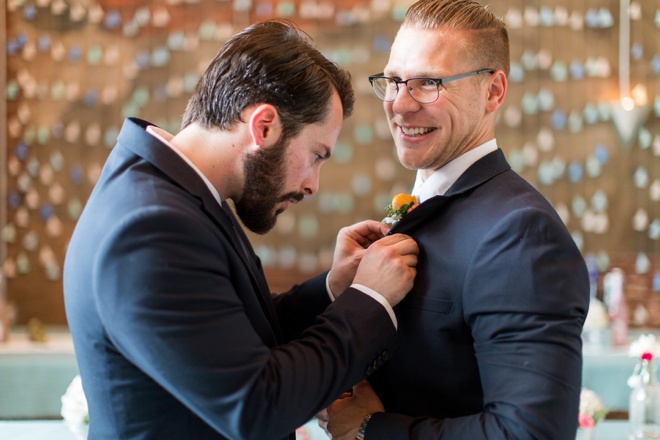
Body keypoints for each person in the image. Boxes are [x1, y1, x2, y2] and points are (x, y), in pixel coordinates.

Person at [63, 19, 419, 440]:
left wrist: (333, 289)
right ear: (264, 127)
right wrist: (369, 299)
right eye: (317, 154)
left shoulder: (177, 193)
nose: (312, 185)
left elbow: (232, 338)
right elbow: (256, 407)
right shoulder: (152, 227)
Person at [322, 1, 590, 439]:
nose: (400, 105)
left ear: (493, 92)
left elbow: (531, 433)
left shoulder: (520, 234)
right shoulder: (420, 205)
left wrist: (373, 428)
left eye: (429, 83)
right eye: (393, 81)